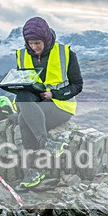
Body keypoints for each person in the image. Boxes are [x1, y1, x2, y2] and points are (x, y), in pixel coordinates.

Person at [12, 16, 83, 188]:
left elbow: (77, 85)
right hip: (35, 105)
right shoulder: (21, 55)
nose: (34, 47)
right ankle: (47, 145)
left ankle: (36, 168)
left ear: (45, 38)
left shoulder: (66, 53)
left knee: (23, 120)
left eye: (37, 43)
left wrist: (55, 94)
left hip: (61, 105)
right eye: (30, 43)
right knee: (22, 97)